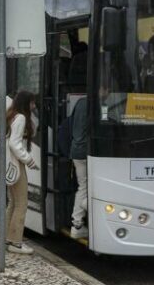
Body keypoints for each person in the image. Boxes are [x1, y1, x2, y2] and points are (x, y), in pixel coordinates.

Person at [4, 90, 39, 254]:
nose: (34, 106)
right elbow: (14, 144)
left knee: (13, 202)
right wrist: (29, 160)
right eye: (32, 103)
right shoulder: (21, 118)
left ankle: (8, 238)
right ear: (26, 103)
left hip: (12, 163)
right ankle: (16, 243)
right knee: (21, 204)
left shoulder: (12, 114)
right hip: (17, 163)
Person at [69, 95, 90, 239]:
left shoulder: (80, 102)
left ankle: (77, 224)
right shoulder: (98, 104)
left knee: (83, 186)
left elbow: (71, 123)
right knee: (87, 187)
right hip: (86, 152)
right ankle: (78, 223)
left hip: (76, 150)